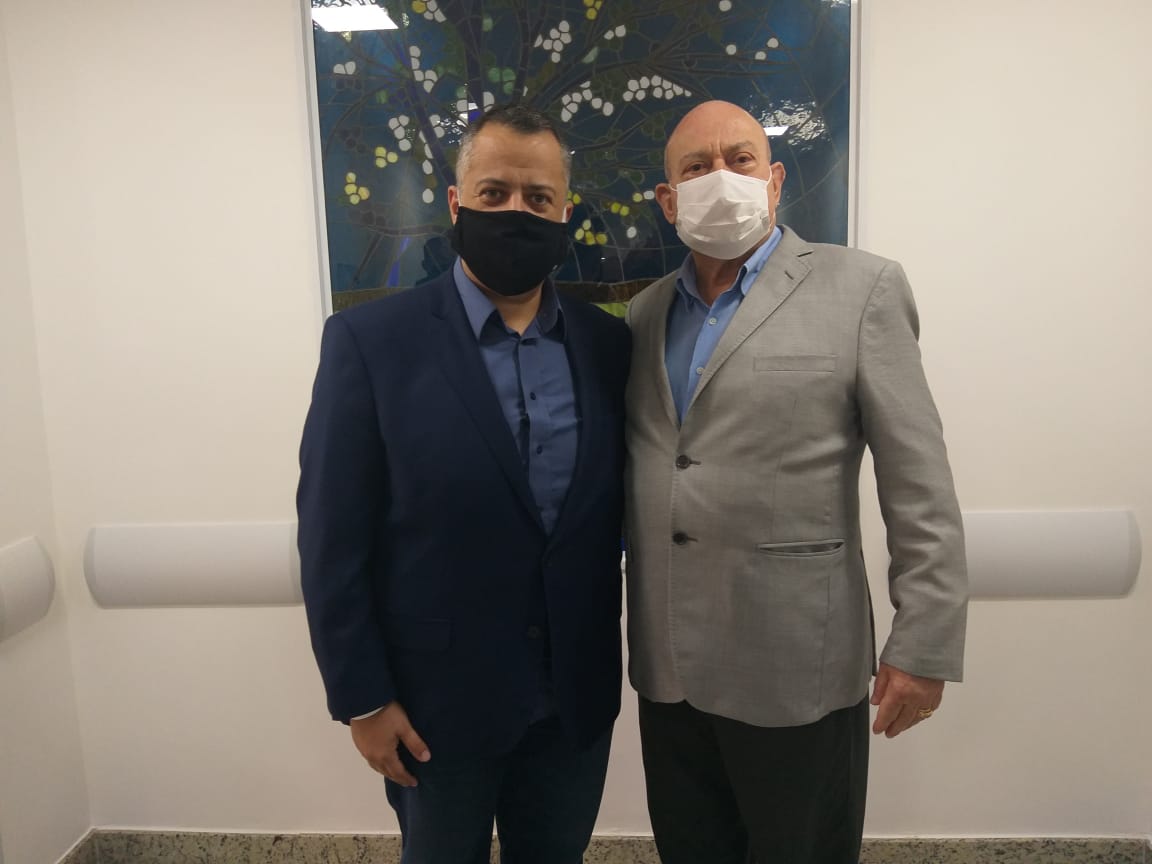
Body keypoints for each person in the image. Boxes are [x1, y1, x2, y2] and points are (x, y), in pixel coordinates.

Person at [623, 100, 968, 863]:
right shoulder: (644, 315)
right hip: (669, 667)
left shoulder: (863, 288)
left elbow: (919, 478)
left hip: (798, 665)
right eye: (696, 166)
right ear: (668, 200)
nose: (721, 176)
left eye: (740, 159)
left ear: (774, 180)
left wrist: (925, 640)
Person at [297, 104, 630, 864]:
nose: (517, 212)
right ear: (456, 202)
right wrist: (363, 698)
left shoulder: (608, 345)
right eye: (494, 192)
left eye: (538, 198)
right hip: (431, 709)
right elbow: (331, 538)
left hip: (572, 702)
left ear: (565, 212)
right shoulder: (370, 343)